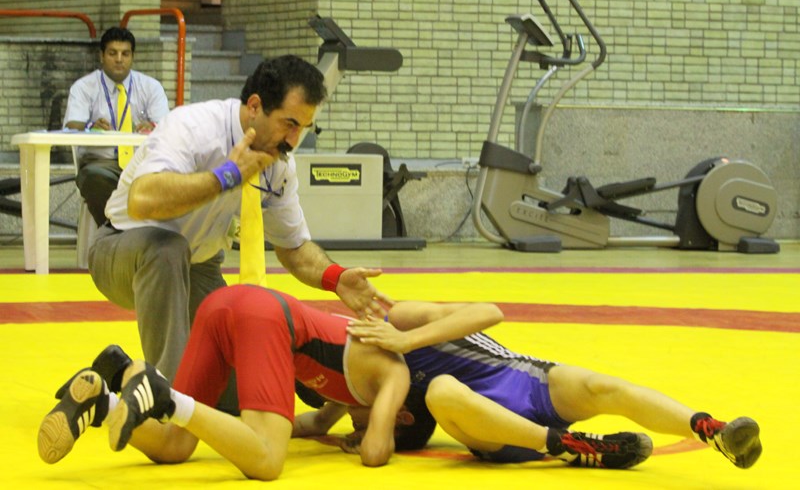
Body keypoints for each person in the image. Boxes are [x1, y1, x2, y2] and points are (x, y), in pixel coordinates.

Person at [88, 54, 391, 383]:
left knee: (236, 386)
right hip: (121, 252)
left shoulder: (279, 165)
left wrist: (335, 277)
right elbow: (142, 200)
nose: (293, 141)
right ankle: (167, 395)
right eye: (289, 124)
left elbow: (293, 248)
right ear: (255, 106)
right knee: (167, 249)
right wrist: (226, 176)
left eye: (304, 128)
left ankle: (117, 374)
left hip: (197, 266)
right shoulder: (193, 127)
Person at [37, 285, 413, 480]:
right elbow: (374, 453)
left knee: (174, 445)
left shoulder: (350, 393)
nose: (355, 426)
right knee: (267, 461)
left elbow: (313, 424)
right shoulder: (395, 373)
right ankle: (163, 394)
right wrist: (378, 437)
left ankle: (104, 400)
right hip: (265, 317)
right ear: (401, 415)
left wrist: (257, 429)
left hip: (224, 305)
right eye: (363, 424)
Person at [343, 301, 763, 470]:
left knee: (603, 387)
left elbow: (490, 312)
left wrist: (408, 339)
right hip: (497, 429)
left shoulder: (399, 320)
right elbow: (328, 413)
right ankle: (568, 445)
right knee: (441, 390)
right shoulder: (371, 377)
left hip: (527, 380)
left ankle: (712, 431)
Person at [63, 26, 170, 226]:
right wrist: (90, 125)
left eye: (125, 54)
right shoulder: (84, 87)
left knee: (172, 181)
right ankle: (118, 231)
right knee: (95, 180)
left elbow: (167, 127)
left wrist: (152, 125)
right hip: (100, 163)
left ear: (132, 57)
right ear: (102, 56)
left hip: (142, 163)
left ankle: (130, 232)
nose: (119, 59)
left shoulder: (151, 87)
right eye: (113, 53)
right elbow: (71, 125)